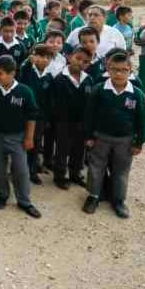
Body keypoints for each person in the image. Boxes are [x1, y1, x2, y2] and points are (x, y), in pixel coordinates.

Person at [83, 51, 145, 218]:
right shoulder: (99, 90)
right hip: (101, 137)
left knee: (121, 170)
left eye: (123, 70)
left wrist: (139, 142)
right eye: (114, 69)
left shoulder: (136, 94)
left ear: (130, 70)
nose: (119, 74)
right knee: (96, 167)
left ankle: (118, 200)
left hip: (125, 140)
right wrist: (88, 136)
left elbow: (142, 120)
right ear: (108, 69)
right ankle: (94, 196)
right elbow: (89, 115)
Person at [0, 55, 41, 218]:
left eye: (0, 73)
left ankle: (24, 201)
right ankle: (2, 195)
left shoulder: (24, 91)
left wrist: (29, 138)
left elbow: (31, 116)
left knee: (21, 170)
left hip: (17, 138)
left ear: (12, 74)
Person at [50, 46, 93, 190]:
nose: (80, 63)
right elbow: (54, 102)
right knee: (62, 149)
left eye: (85, 61)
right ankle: (60, 176)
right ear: (70, 57)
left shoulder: (88, 80)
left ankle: (75, 173)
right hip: (64, 122)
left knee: (79, 150)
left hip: (81, 123)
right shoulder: (60, 78)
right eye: (78, 58)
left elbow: (90, 104)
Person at [17, 44, 54, 185]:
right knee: (21, 143)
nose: (43, 59)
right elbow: (21, 76)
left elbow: (50, 100)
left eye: (47, 57)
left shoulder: (49, 77)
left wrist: (47, 118)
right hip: (23, 116)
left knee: (36, 144)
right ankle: (20, 170)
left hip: (39, 118)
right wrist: (28, 62)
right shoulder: (27, 71)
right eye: (39, 55)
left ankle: (32, 171)